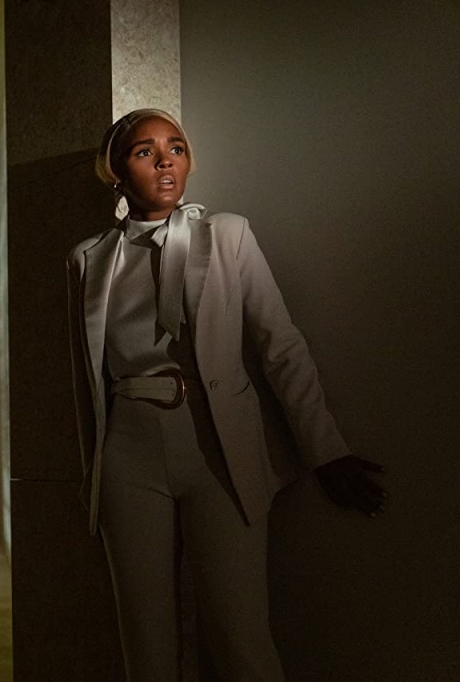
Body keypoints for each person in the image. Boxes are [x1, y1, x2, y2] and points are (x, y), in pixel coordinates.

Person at [66, 108, 386, 680]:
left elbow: (279, 344)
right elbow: (83, 380)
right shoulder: (89, 258)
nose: (165, 161)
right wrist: (93, 479)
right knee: (146, 645)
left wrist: (325, 450)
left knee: (241, 639)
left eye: (176, 147)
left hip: (219, 448)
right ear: (115, 170)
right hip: (128, 455)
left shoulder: (228, 234)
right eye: (144, 152)